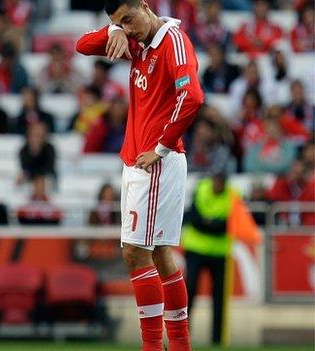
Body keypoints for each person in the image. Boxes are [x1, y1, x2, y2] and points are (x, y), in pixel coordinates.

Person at [76, 0, 205, 349]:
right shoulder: (137, 42)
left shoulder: (172, 41)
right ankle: (178, 344)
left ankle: (152, 345)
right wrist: (114, 30)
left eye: (130, 19)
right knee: (160, 252)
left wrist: (162, 146)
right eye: (123, 24)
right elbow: (82, 45)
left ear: (145, 6)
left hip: (155, 161)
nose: (129, 29)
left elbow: (191, 96)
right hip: (139, 160)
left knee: (134, 252)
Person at [181, 174, 239, 345]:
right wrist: (214, 225)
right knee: (190, 291)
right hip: (196, 249)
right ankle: (182, 335)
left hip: (219, 253)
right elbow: (195, 218)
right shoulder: (201, 188)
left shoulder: (233, 195)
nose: (217, 184)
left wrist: (209, 224)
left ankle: (217, 340)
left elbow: (228, 223)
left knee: (219, 298)